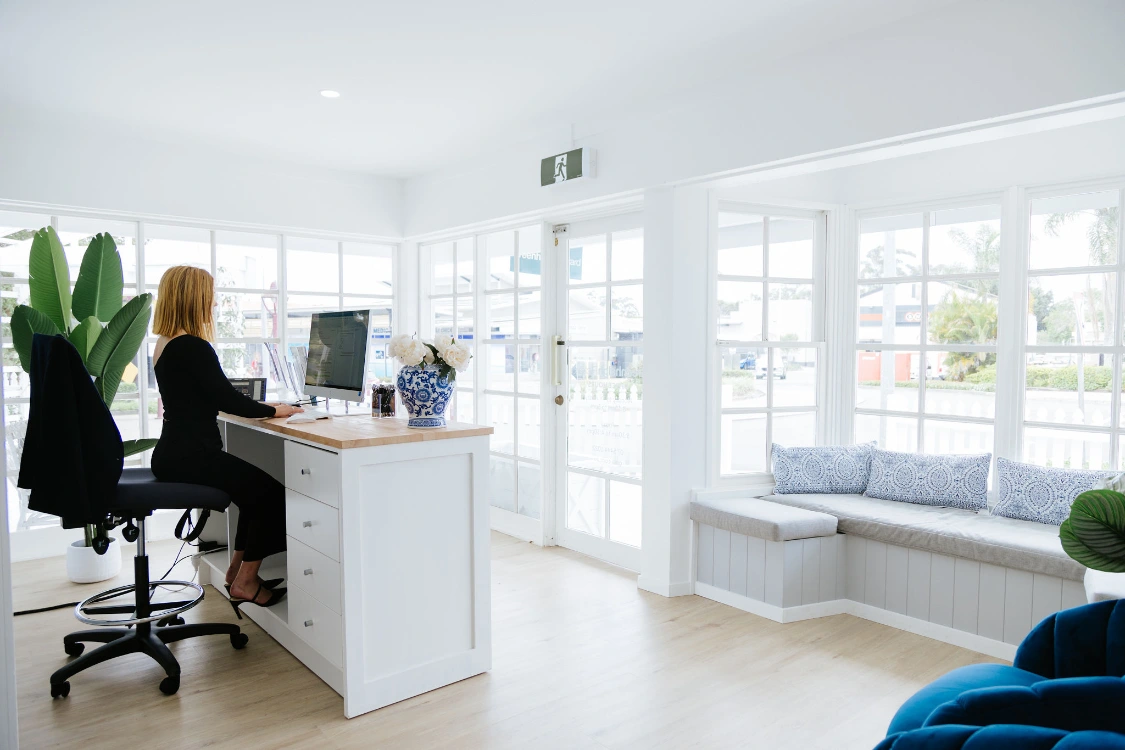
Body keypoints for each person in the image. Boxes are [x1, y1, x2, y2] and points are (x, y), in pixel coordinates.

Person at [149, 265, 302, 615]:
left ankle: (237, 573)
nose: (215, 303)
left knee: (254, 494)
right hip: (192, 454)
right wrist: (274, 409)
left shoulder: (166, 343)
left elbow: (203, 394)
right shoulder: (192, 345)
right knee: (271, 496)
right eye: (210, 295)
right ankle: (246, 582)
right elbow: (228, 401)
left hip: (174, 451)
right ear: (195, 298)